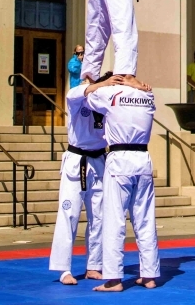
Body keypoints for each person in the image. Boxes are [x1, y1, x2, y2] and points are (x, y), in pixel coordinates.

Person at [49, 72, 121, 285]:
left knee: (99, 217)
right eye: (106, 87)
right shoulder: (77, 98)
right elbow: (73, 94)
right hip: (76, 160)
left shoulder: (109, 105)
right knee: (69, 214)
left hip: (98, 161)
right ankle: (63, 269)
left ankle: (94, 265)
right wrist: (98, 84)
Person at [86, 81, 159, 291]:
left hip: (119, 159)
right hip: (143, 158)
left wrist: (99, 83)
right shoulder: (146, 95)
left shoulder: (110, 94)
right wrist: (140, 86)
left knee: (114, 219)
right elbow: (148, 97)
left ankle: (114, 279)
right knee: (145, 218)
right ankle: (149, 275)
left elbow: (86, 95)